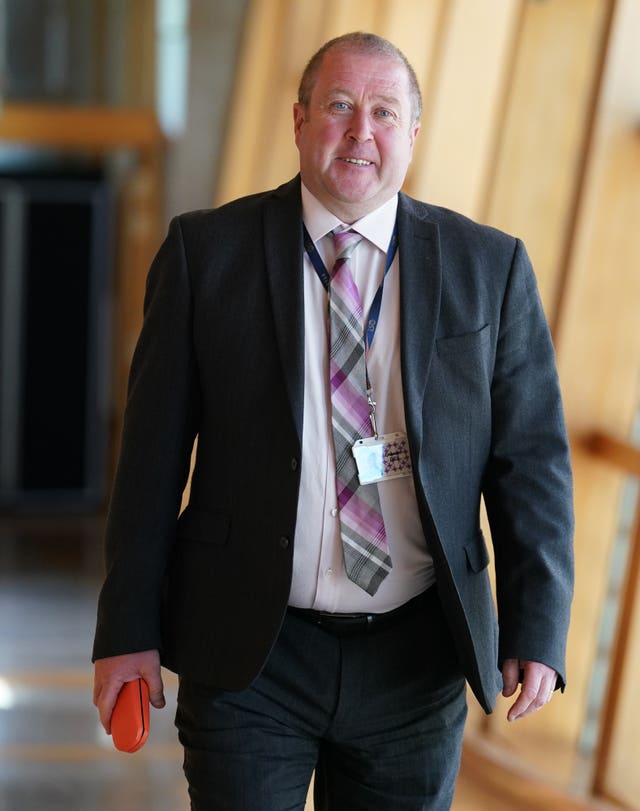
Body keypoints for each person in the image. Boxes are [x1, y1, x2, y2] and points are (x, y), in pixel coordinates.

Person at [93, 31, 574, 810]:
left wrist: (538, 626)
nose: (361, 132)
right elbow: (149, 463)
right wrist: (125, 628)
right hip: (249, 649)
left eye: (385, 112)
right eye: (340, 106)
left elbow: (533, 463)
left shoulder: (491, 267)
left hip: (416, 660)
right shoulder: (205, 254)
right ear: (298, 120)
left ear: (413, 134)